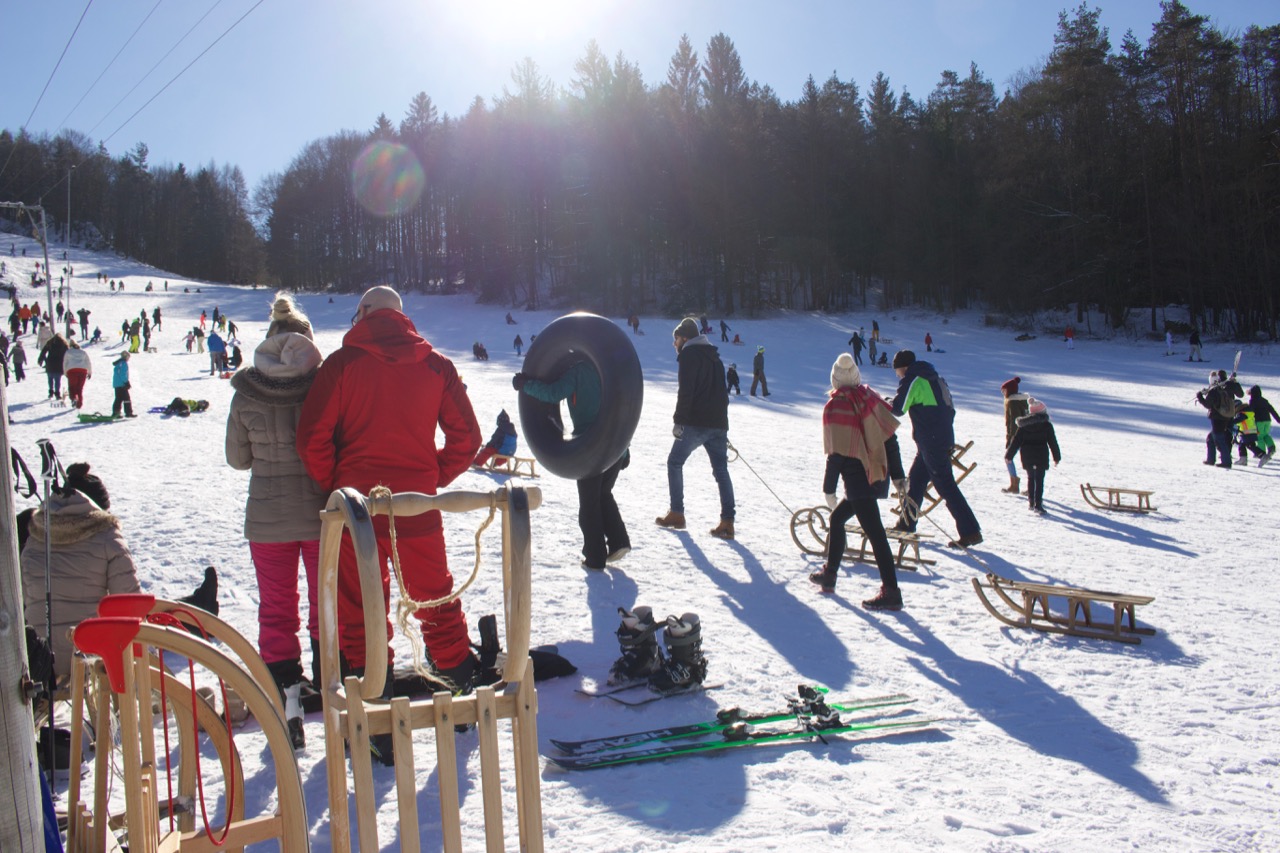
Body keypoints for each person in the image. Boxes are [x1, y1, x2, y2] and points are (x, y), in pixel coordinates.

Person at [296, 285, 481, 763]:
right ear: (403, 317)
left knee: (360, 611)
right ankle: (460, 690)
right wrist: (428, 476)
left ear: (362, 315)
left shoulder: (342, 364)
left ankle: (376, 720)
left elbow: (312, 437)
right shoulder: (436, 365)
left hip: (357, 511)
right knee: (435, 599)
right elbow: (468, 437)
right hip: (415, 508)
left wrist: (336, 484)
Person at [226, 296, 327, 751]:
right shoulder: (321, 385)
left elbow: (237, 458)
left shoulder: (246, 390)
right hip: (320, 513)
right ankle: (331, 682)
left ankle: (286, 691)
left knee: (276, 605)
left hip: (266, 517)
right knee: (325, 601)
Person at [21, 465, 140, 680]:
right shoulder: (107, 536)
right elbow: (130, 605)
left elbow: (23, 598)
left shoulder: (34, 536)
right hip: (89, 655)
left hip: (37, 658)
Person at [809, 353, 907, 610]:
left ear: (835, 378)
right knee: (837, 519)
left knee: (875, 534)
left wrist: (829, 489)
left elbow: (837, 454)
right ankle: (830, 574)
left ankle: (892, 592)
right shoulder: (870, 399)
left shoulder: (836, 406)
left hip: (857, 482)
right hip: (876, 475)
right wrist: (897, 476)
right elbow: (890, 440)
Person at [515, 360, 632, 569]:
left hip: (591, 446)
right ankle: (618, 541)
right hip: (616, 445)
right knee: (603, 494)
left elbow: (554, 393)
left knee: (589, 502)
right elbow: (623, 408)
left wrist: (526, 385)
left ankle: (595, 557)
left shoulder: (580, 370)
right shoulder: (612, 368)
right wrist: (626, 448)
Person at [890, 350, 982, 548]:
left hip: (931, 441)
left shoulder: (913, 378)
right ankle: (906, 524)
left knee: (945, 484)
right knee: (916, 481)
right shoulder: (934, 377)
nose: (897, 375)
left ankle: (970, 531)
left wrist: (884, 402)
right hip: (938, 438)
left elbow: (898, 408)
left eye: (897, 371)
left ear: (903, 367)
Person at [656, 317, 735, 539]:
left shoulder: (689, 355)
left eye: (676, 339)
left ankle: (677, 513)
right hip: (717, 424)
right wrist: (722, 423)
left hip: (695, 423)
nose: (674, 344)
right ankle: (727, 521)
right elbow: (723, 394)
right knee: (721, 471)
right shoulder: (714, 357)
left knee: (674, 462)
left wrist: (679, 421)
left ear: (685, 338)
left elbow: (686, 391)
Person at [1005, 397, 1061, 513]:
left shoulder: (1023, 426)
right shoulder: (1047, 426)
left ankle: (1031, 502)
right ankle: (1038, 505)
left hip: (1027, 456)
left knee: (1031, 478)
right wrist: (1056, 457)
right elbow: (1052, 442)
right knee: (1039, 480)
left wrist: (1009, 456)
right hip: (1041, 455)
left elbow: (1016, 442)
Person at [1197, 369, 1243, 468]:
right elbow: (1240, 394)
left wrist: (1200, 397)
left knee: (1219, 439)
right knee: (1211, 438)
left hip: (1217, 417)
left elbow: (1208, 404)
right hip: (1227, 416)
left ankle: (1226, 461)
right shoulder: (1224, 386)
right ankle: (1211, 459)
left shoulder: (1214, 390)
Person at [1000, 377, 1030, 494]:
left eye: (1004, 390)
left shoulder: (1012, 402)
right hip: (1028, 434)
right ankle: (1028, 486)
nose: (1003, 393)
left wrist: (1011, 437)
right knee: (1027, 460)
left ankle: (1014, 484)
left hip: (1018, 436)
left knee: (1008, 458)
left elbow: (1014, 421)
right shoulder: (1023, 400)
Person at [1247, 385, 1278, 462]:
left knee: (1259, 437)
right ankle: (1271, 447)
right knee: (1265, 435)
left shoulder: (1252, 401)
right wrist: (1278, 419)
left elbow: (1250, 412)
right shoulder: (1264, 400)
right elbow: (1272, 410)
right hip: (1267, 421)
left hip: (1258, 422)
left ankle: (1261, 453)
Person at [38, 331, 69, 400]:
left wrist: (40, 359)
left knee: (50, 379)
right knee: (57, 380)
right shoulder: (64, 344)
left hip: (50, 363)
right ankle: (57, 393)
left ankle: (50, 392)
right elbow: (68, 353)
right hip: (59, 364)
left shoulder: (50, 343)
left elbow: (43, 351)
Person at [63, 340, 91, 409]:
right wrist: (89, 372)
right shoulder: (83, 352)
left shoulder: (68, 352)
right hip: (82, 371)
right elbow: (88, 362)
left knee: (72, 387)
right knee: (80, 388)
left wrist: (65, 372)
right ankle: (79, 404)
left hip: (72, 371)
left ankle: (74, 398)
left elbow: (65, 363)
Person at [111, 351, 135, 418]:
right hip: (121, 384)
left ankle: (116, 412)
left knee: (118, 398)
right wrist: (126, 382)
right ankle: (128, 412)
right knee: (126, 398)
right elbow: (123, 374)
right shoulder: (124, 364)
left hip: (116, 384)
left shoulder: (119, 363)